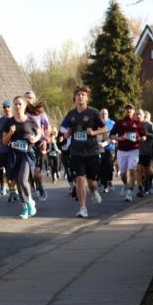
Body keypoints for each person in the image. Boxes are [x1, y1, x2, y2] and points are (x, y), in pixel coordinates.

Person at [59, 87, 105, 218]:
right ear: (74, 98)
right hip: (76, 152)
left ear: (87, 98)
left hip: (91, 151)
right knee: (79, 179)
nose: (80, 97)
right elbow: (67, 129)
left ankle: (94, 191)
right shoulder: (71, 114)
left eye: (83, 94)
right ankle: (83, 208)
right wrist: (65, 135)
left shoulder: (93, 112)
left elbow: (105, 128)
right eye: (78, 94)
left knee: (91, 182)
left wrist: (94, 132)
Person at [1, 96, 42, 219]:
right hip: (14, 154)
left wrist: (34, 138)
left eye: (20, 104)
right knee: (17, 181)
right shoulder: (9, 122)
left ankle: (29, 203)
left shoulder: (31, 120)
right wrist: (10, 133)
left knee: (23, 180)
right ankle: (26, 206)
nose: (17, 106)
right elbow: (4, 141)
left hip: (27, 154)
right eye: (16, 104)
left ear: (25, 106)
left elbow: (39, 133)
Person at [111, 103, 146, 202]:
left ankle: (129, 193)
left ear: (133, 111)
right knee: (122, 174)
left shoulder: (138, 123)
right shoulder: (119, 122)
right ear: (124, 111)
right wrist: (119, 138)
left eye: (131, 109)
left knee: (132, 171)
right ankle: (125, 185)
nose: (129, 110)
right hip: (121, 151)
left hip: (134, 150)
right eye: (127, 109)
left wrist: (141, 138)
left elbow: (144, 136)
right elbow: (111, 135)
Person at [23, 90, 50, 201]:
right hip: (26, 143)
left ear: (34, 99)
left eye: (30, 97)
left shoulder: (40, 112)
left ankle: (40, 187)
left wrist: (45, 140)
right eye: (26, 97)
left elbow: (47, 127)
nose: (27, 99)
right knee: (28, 170)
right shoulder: (22, 112)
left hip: (39, 142)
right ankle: (33, 189)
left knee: (36, 172)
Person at [137, 109, 153, 197]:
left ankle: (149, 184)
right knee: (139, 170)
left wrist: (147, 134)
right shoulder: (134, 124)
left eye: (140, 114)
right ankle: (141, 188)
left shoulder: (149, 124)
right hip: (137, 151)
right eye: (137, 114)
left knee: (148, 171)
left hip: (147, 151)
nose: (138, 116)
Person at [98, 108, 116, 193]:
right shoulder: (97, 123)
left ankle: (109, 181)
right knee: (101, 166)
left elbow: (116, 134)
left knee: (109, 165)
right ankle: (104, 185)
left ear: (108, 114)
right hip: (100, 148)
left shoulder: (112, 123)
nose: (103, 115)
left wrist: (115, 140)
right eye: (102, 113)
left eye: (105, 113)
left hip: (110, 147)